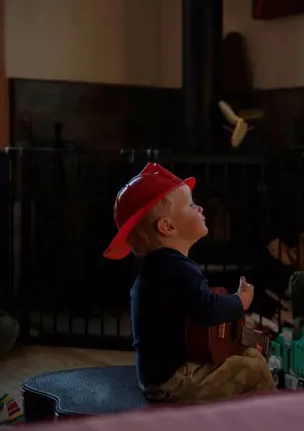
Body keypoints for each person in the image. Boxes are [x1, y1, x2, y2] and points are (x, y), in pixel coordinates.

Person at [103, 163, 276, 403]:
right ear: (168, 226)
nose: (201, 207)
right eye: (192, 205)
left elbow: (193, 313)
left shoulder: (160, 268)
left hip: (160, 376)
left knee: (249, 358)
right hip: (173, 381)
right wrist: (240, 301)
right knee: (254, 370)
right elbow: (208, 308)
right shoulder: (175, 269)